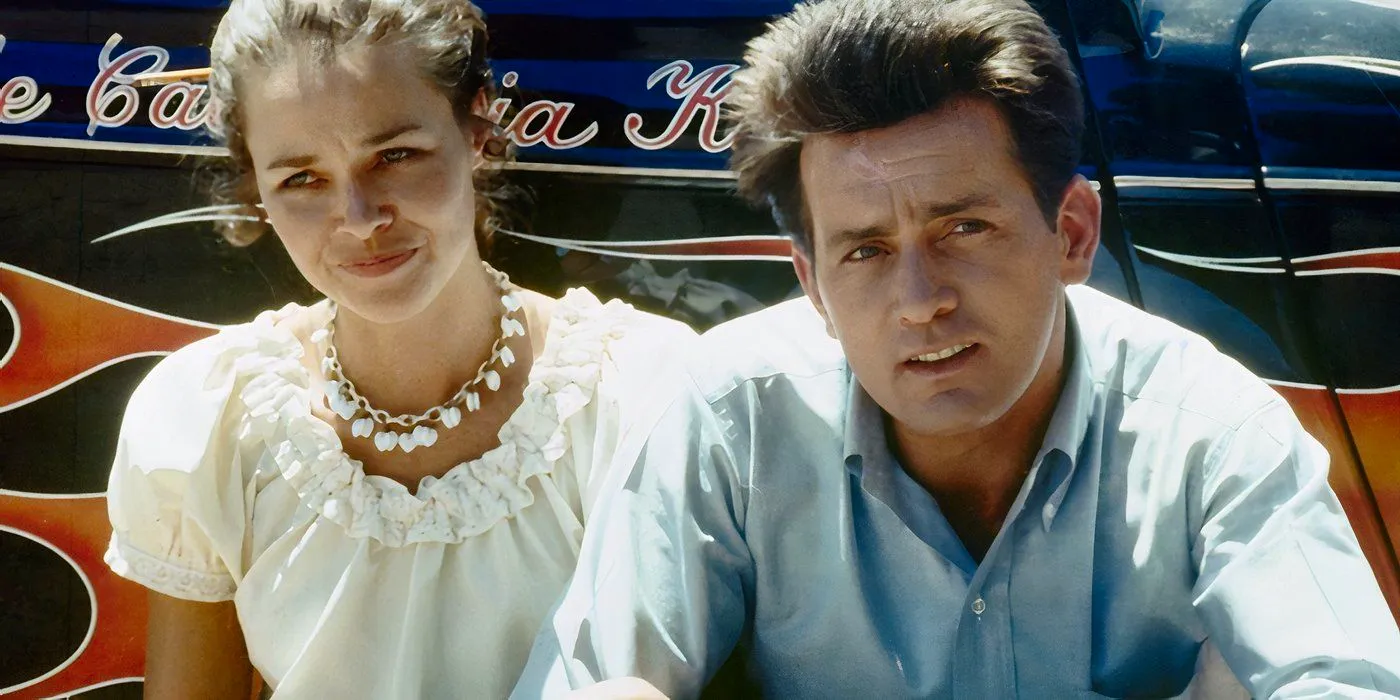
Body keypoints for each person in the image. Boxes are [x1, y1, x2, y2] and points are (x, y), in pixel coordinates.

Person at [512, 0, 1400, 697]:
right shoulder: (728, 412)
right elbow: (603, 682)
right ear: (811, 282)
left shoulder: (1212, 430)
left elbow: (1344, 678)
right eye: (863, 251)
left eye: (964, 228)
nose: (921, 302)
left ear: (1073, 233)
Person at [101, 0, 693, 697]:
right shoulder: (209, 415)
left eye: (396, 156)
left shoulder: (638, 393)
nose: (358, 218)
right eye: (302, 178)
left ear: (476, 127)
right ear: (254, 183)